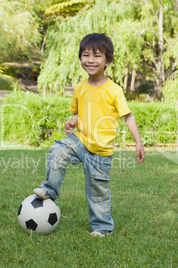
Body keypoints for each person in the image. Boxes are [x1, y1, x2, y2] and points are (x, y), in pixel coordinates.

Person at [33, 33, 145, 237]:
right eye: (86, 55)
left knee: (97, 191)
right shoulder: (79, 88)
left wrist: (138, 142)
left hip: (101, 151)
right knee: (58, 150)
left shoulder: (114, 90)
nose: (91, 60)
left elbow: (128, 117)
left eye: (97, 56)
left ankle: (102, 227)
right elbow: (77, 112)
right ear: (80, 58)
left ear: (108, 61)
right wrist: (73, 121)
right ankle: (50, 189)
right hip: (80, 140)